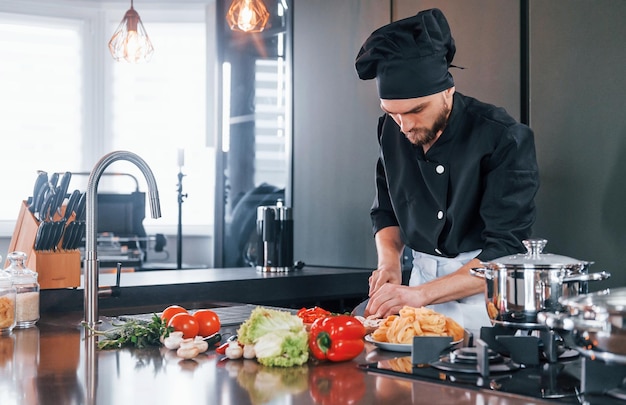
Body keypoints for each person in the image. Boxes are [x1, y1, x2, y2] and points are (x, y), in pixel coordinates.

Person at [354, 8, 540, 335]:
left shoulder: (503, 138)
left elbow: (506, 249)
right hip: (414, 289)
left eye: (415, 110)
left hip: (483, 296)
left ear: (447, 90)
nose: (405, 125)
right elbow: (386, 212)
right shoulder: (390, 130)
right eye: (393, 113)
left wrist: (420, 295)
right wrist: (390, 264)